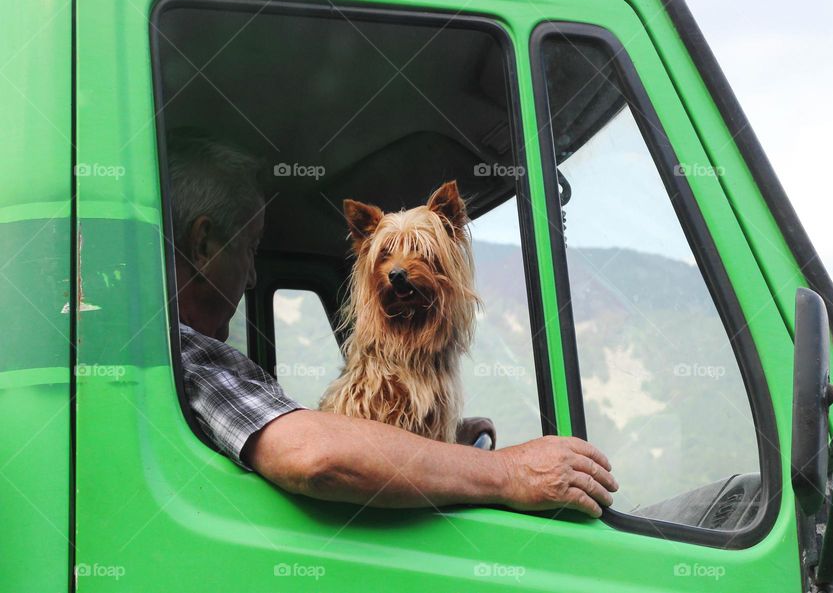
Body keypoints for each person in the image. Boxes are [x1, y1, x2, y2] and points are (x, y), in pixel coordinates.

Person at [169, 131, 617, 517]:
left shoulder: (192, 362)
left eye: (419, 254)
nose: (252, 277)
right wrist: (507, 472)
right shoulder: (183, 359)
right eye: (250, 248)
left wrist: (448, 445)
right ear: (204, 242)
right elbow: (317, 457)